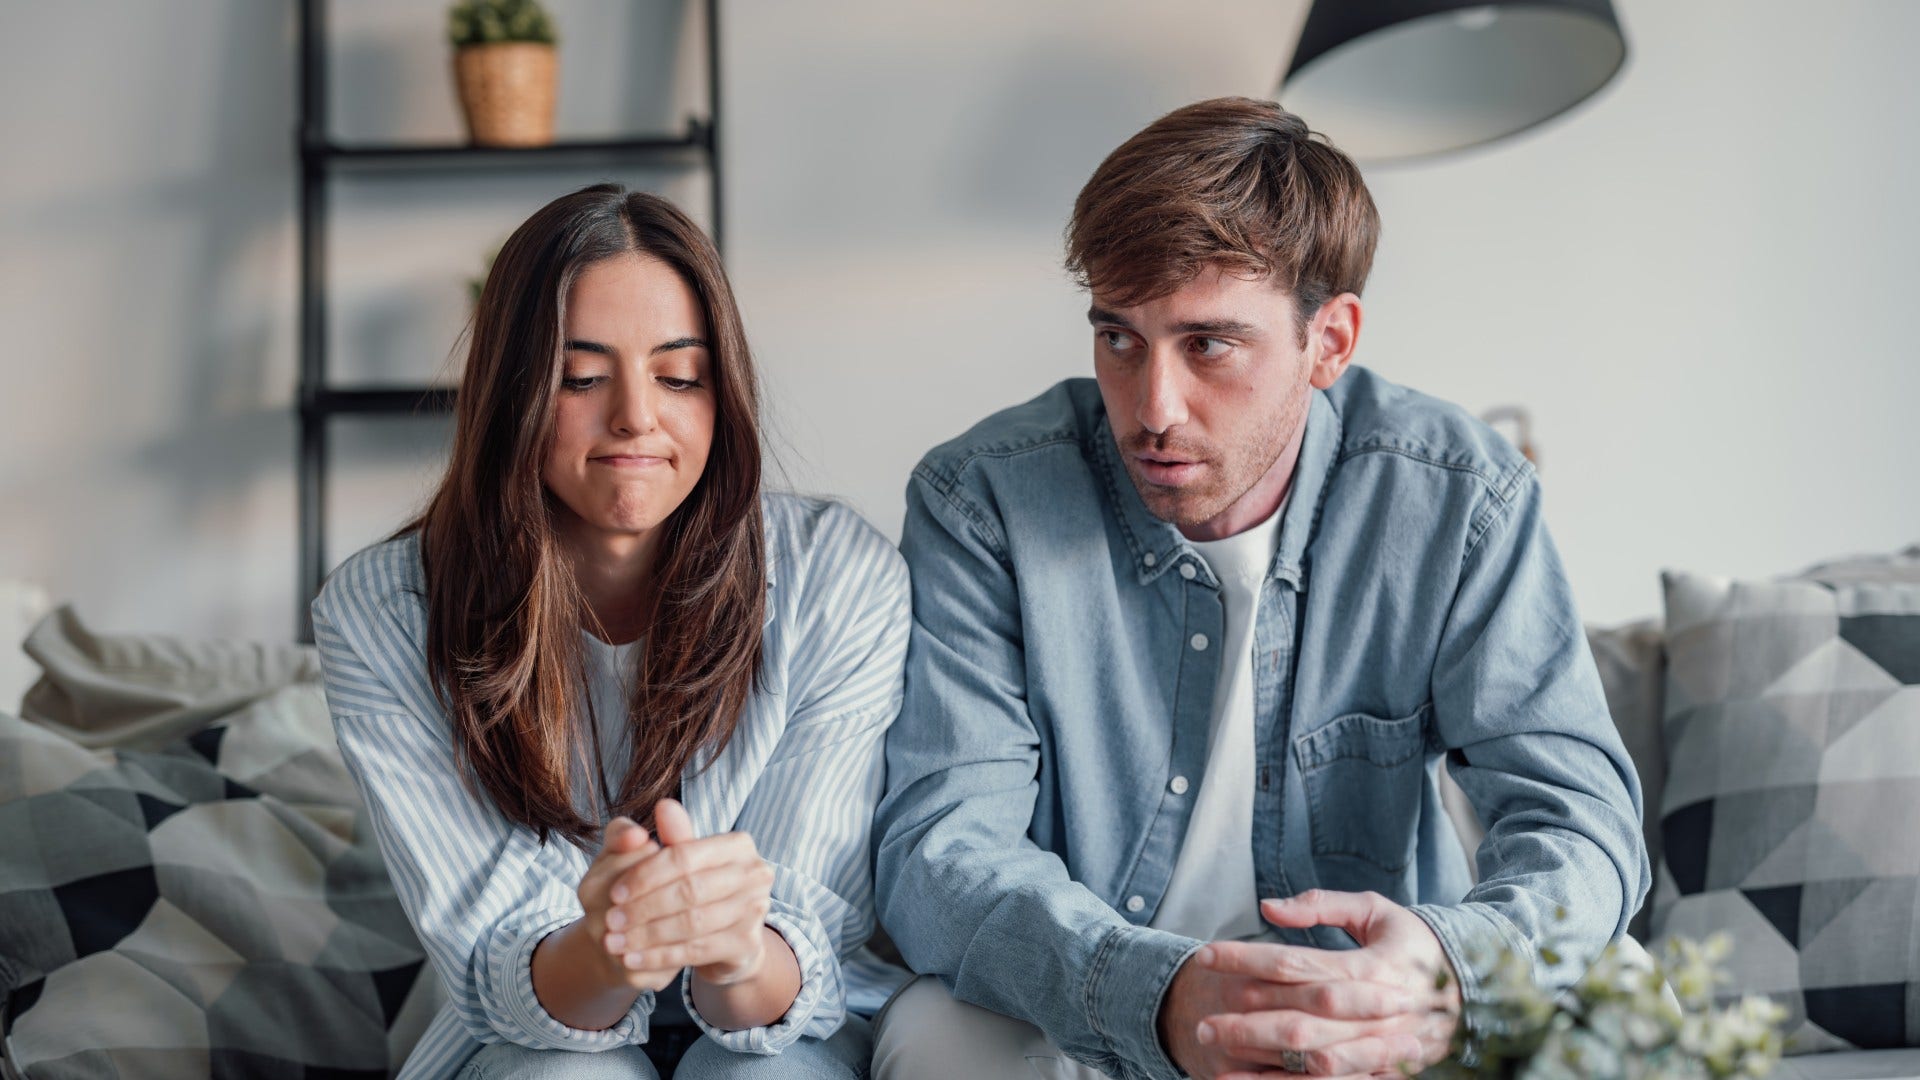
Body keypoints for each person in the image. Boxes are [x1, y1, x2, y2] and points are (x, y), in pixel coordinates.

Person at [870, 98, 1651, 1080]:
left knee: (1628, 984)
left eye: (1208, 345)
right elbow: (941, 849)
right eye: (1119, 338)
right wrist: (1153, 994)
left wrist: (1447, 972)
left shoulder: (1455, 495)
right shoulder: (988, 499)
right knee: (932, 1034)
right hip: (1098, 1004)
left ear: (1329, 341)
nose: (1152, 407)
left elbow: (1580, 818)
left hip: (1380, 1007)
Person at [311, 185, 909, 1080]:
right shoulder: (383, 612)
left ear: (725, 393)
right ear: (512, 392)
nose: (636, 415)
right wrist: (609, 948)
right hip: (532, 1036)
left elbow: (809, 943)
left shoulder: (836, 575)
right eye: (581, 377)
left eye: (679, 376)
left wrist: (734, 947)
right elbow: (490, 960)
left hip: (778, 1027)